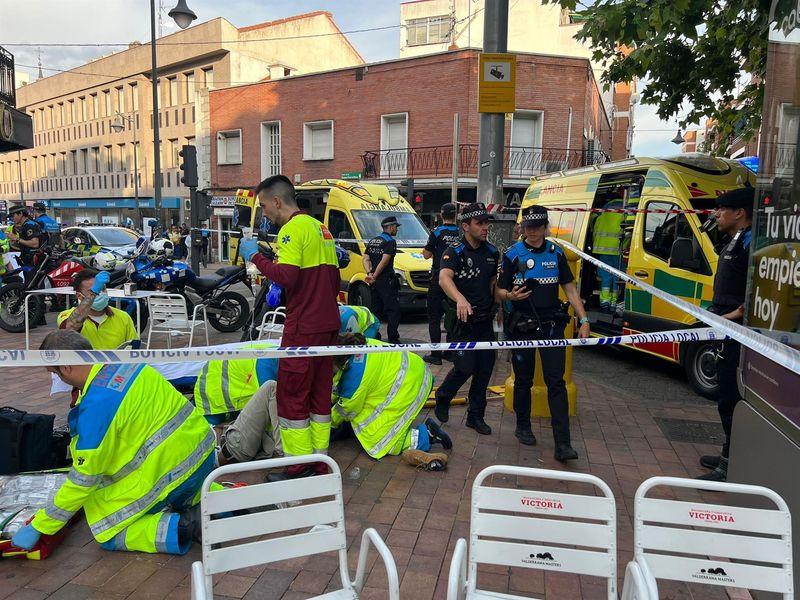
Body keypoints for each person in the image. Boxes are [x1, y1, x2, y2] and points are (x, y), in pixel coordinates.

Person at [11, 330, 216, 555]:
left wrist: (42, 525)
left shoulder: (97, 407)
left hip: (178, 472)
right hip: (203, 453)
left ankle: (185, 526)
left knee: (109, 532)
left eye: (55, 373)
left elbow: (84, 479)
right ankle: (222, 499)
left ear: (67, 367)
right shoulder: (128, 365)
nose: (59, 380)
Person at [238, 174, 340, 480]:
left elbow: (287, 277)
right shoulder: (321, 229)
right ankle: (320, 461)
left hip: (303, 326)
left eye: (264, 206)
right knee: (320, 395)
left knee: (292, 395)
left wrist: (254, 256)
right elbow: (332, 280)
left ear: (277, 202)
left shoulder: (291, 230)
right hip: (327, 323)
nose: (264, 213)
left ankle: (298, 465)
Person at [497, 205, 590, 461]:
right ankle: (523, 426)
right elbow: (499, 291)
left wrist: (584, 319)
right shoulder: (513, 254)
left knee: (556, 382)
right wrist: (510, 295)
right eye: (529, 227)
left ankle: (563, 443)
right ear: (523, 228)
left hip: (551, 326)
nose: (533, 232)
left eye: (538, 226)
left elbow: (570, 289)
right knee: (524, 380)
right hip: (522, 325)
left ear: (545, 227)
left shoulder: (556, 253)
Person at [697, 186, 755, 482]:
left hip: (737, 331)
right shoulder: (735, 238)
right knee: (724, 395)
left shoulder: (751, 242)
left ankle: (731, 464)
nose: (716, 214)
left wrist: (729, 317)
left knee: (731, 396)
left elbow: (756, 290)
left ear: (740, 213)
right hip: (725, 327)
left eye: (722, 209)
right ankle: (727, 452)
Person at [331, 333, 451, 469]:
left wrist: (327, 422)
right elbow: (340, 387)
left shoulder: (354, 375)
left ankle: (426, 435)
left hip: (410, 385)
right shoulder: (358, 344)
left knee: (383, 442)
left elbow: (347, 409)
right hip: (417, 373)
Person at [434, 203, 499, 435]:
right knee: (464, 367)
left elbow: (493, 283)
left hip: (484, 320)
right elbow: (444, 278)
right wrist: (460, 299)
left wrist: (500, 303)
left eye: (486, 223)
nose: (485, 228)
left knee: (484, 369)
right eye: (479, 223)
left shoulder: (492, 252)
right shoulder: (455, 251)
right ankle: (443, 396)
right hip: (462, 322)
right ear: (465, 226)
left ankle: (476, 416)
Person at [58, 269, 139, 350]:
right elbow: (70, 327)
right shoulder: (66, 315)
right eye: (93, 290)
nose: (99, 293)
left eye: (102, 289)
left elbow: (134, 350)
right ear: (79, 296)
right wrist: (94, 292)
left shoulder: (123, 317)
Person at [422, 202, 460, 365]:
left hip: (438, 278)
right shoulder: (461, 232)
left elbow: (426, 254)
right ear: (456, 215)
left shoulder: (437, 233)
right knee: (453, 315)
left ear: (441, 215)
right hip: (456, 280)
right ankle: (450, 352)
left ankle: (436, 354)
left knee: (434, 318)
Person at [363, 216, 401, 343]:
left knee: (375, 310)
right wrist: (375, 275)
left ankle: (374, 336)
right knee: (393, 310)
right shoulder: (390, 242)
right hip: (385, 280)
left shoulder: (373, 240)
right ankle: (393, 338)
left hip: (373, 282)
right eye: (396, 226)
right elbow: (384, 262)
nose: (397, 229)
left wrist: (369, 273)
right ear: (390, 227)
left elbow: (366, 259)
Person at [591, 190, 625, 311]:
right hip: (619, 251)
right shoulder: (628, 208)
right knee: (618, 278)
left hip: (603, 249)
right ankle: (614, 305)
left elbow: (595, 222)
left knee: (605, 277)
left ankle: (604, 302)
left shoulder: (606, 207)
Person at [7, 205, 42, 270]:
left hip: (32, 261)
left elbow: (35, 244)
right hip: (26, 260)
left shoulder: (30, 225)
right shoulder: (25, 225)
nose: (12, 219)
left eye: (13, 216)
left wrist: (16, 238)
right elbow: (24, 243)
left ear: (20, 214)